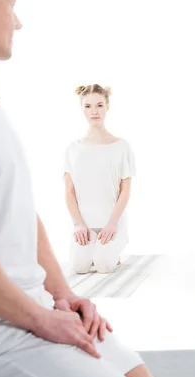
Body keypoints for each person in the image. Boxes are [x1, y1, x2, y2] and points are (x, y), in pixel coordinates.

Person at [0, 1, 155, 377]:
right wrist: (40, 320)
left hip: (28, 301)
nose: (18, 23)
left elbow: (21, 211)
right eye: (13, 6)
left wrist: (62, 296)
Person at [65, 84, 136, 274]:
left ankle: (113, 250)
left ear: (107, 106)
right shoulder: (73, 149)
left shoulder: (122, 147)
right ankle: (96, 250)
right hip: (85, 224)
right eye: (88, 106)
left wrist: (112, 223)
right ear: (82, 109)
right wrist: (78, 224)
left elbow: (125, 190)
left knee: (104, 266)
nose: (94, 111)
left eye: (99, 105)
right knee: (79, 267)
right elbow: (69, 191)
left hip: (112, 222)